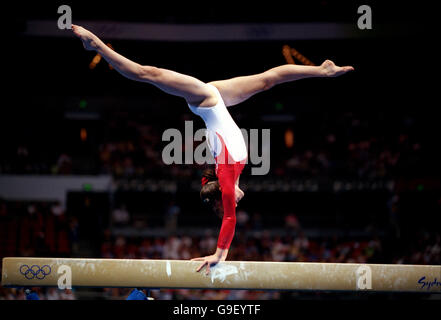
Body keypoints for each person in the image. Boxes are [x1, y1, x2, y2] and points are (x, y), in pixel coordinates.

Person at [71, 25, 354, 275]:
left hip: (208, 100)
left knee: (149, 74)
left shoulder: (228, 177)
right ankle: (321, 70)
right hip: (214, 98)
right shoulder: (228, 176)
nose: (231, 204)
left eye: (224, 202)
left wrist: (220, 253)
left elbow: (229, 214)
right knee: (268, 80)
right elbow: (229, 212)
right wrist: (220, 253)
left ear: (222, 192)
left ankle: (97, 46)